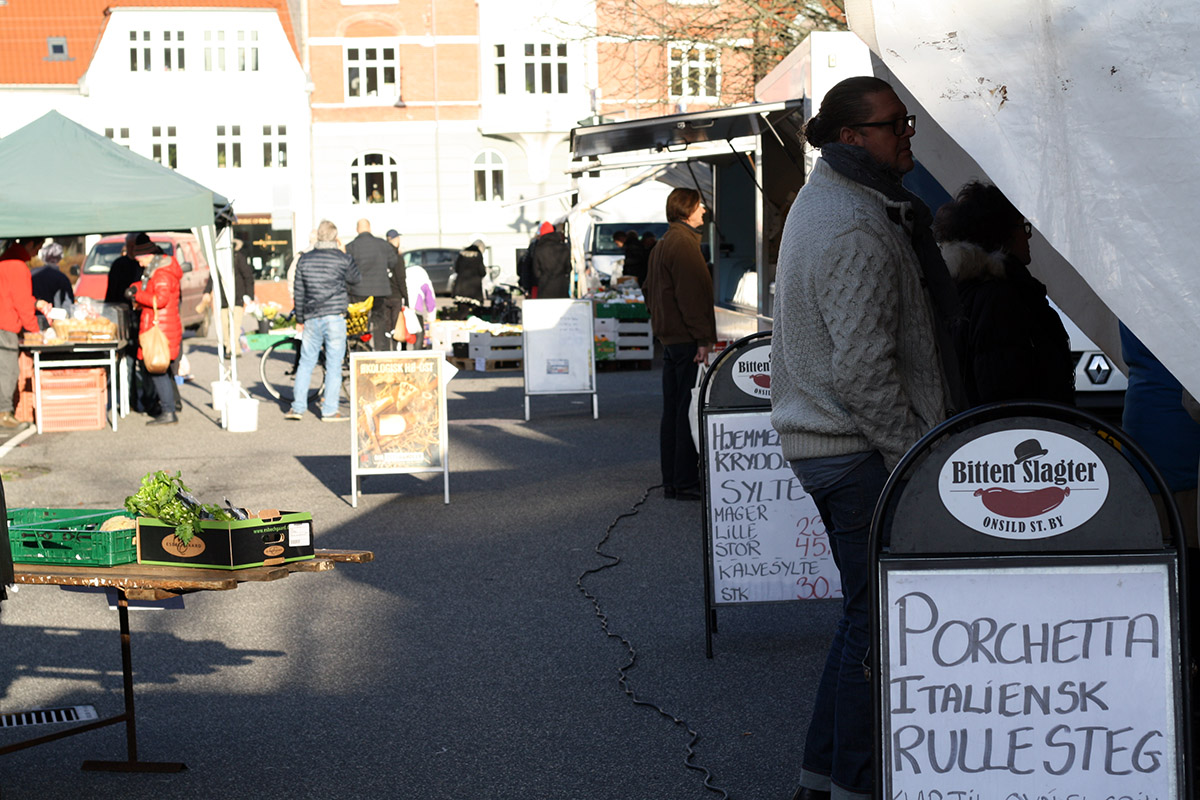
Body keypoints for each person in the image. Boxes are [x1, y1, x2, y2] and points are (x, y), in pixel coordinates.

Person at [769, 76, 964, 800]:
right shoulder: (853, 222)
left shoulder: (831, 199)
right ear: (853, 138)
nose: (908, 134)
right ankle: (853, 786)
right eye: (895, 124)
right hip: (856, 452)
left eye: (907, 120)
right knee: (877, 630)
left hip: (835, 446)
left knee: (862, 619)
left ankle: (820, 778)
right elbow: (863, 371)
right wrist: (911, 460)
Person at [934, 181, 1074, 406]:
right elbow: (1003, 393)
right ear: (1002, 233)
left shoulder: (973, 290)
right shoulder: (999, 299)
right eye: (1022, 226)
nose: (1028, 237)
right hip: (1026, 436)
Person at [643, 188, 716, 501]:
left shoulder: (662, 243)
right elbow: (692, 296)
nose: (703, 212)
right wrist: (703, 339)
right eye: (700, 207)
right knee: (689, 411)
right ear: (688, 210)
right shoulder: (685, 244)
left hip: (669, 338)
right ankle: (685, 480)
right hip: (686, 339)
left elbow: (649, 289)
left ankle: (672, 479)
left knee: (672, 411)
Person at [286, 219, 361, 421]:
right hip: (335, 316)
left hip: (311, 317)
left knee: (306, 362)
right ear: (335, 237)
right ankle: (329, 410)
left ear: (318, 236)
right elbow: (356, 278)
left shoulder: (305, 259)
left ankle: (298, 408)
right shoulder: (341, 259)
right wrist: (345, 253)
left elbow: (299, 291)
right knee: (334, 364)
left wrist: (300, 318)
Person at [128, 234, 184, 425]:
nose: (140, 264)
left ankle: (168, 411)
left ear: (149, 256)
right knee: (161, 370)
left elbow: (160, 300)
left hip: (160, 329)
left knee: (157, 370)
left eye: (140, 259)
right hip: (163, 326)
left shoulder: (161, 273)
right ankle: (168, 408)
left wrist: (138, 295)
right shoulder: (159, 271)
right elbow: (152, 290)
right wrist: (137, 288)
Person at [0, 242, 40, 429]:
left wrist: (37, 303)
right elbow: (22, 302)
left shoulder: (4, 261)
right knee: (8, 370)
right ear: (30, 244)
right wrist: (34, 331)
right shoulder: (18, 266)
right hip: (6, 324)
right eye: (37, 248)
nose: (36, 254)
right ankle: (4, 413)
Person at [345, 219, 397, 351]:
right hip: (381, 290)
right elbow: (393, 262)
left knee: (359, 323)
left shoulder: (351, 247)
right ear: (370, 228)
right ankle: (382, 351)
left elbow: (347, 270)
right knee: (380, 321)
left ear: (357, 229)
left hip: (359, 291)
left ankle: (360, 351)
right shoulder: (383, 244)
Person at [395, 230, 436, 350]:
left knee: (402, 332)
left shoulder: (405, 273)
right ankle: (416, 355)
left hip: (401, 307)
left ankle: (401, 354)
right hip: (415, 308)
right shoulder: (422, 275)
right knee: (418, 332)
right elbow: (430, 298)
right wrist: (431, 318)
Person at [531, 224, 571, 298]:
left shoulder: (539, 249)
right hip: (561, 286)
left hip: (545, 287)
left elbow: (536, 272)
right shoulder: (564, 248)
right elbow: (568, 268)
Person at [31, 242, 75, 309]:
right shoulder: (62, 278)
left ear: (43, 257)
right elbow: (68, 303)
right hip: (55, 316)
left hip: (33, 314)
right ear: (60, 257)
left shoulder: (32, 274)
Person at [452, 240, 487, 319]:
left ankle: (459, 324)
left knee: (462, 310)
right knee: (475, 311)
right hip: (474, 288)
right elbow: (482, 272)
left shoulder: (462, 253)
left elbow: (457, 269)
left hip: (460, 286)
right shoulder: (478, 255)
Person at [518, 221, 553, 297]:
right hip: (541, 284)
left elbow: (527, 265)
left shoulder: (535, 246)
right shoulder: (536, 247)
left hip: (537, 283)